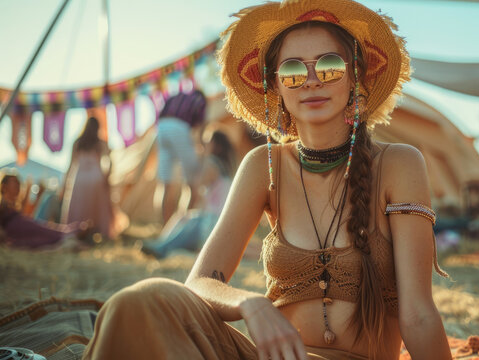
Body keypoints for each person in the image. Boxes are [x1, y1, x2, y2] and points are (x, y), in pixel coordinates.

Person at [83, 1, 451, 359]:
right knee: (139, 301)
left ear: (355, 75)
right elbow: (199, 283)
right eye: (292, 71)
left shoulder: (399, 163)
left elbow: (418, 314)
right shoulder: (265, 165)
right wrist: (250, 303)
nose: (309, 80)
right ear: (275, 86)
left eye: (329, 66)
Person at [142, 130, 236, 258]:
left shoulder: (211, 164)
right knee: (184, 217)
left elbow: (196, 186)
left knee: (190, 220)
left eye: (208, 143)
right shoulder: (225, 168)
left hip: (212, 223)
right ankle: (161, 244)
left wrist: (199, 159)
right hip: (221, 223)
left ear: (216, 146)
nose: (204, 146)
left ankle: (162, 248)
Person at [155, 90, 208, 224]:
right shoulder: (200, 101)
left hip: (161, 128)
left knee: (166, 184)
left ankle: (165, 226)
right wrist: (202, 147)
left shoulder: (175, 96)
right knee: (192, 182)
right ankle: (182, 225)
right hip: (178, 128)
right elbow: (201, 128)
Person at [61, 116, 113, 239]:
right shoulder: (100, 143)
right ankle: (96, 232)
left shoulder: (77, 142)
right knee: (97, 209)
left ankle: (76, 232)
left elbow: (70, 166)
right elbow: (110, 162)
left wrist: (64, 184)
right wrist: (107, 177)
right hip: (96, 178)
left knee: (80, 208)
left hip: (80, 179)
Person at [1, 173, 82, 249]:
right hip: (15, 227)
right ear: (4, 187)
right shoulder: (3, 204)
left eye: (18, 183)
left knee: (42, 229)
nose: (18, 185)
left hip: (21, 223)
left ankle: (68, 231)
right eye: (14, 183)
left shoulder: (14, 204)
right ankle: (68, 233)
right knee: (41, 232)